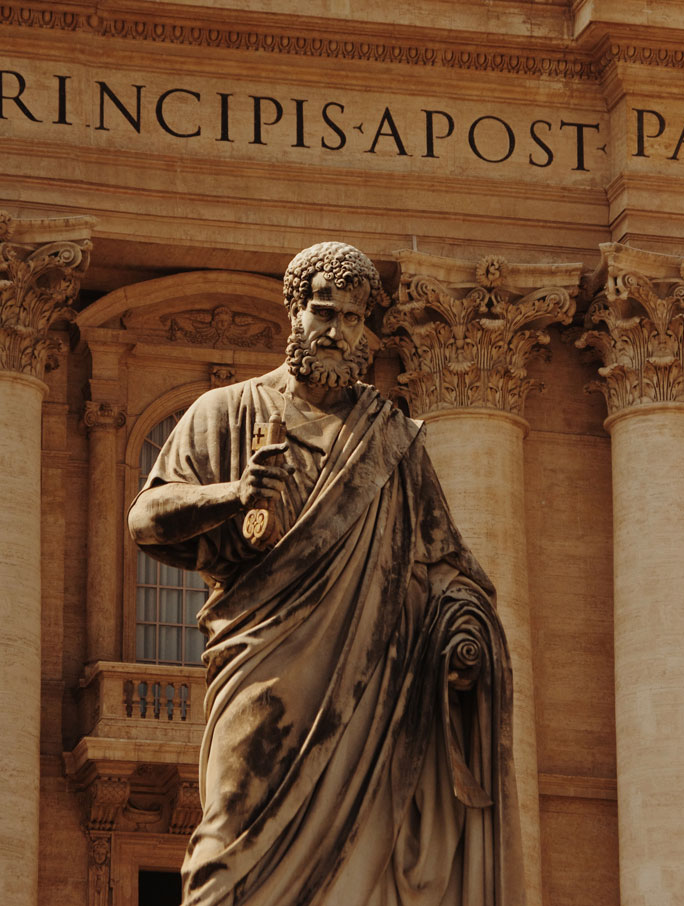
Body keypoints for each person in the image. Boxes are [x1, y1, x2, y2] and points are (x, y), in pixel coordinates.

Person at [128, 241, 524, 906]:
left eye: (353, 317)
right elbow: (147, 520)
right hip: (264, 671)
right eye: (323, 313)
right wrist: (234, 495)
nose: (338, 331)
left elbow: (443, 564)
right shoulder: (224, 413)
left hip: (371, 687)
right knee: (227, 852)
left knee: (364, 857)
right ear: (294, 314)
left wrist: (463, 631)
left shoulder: (391, 440)